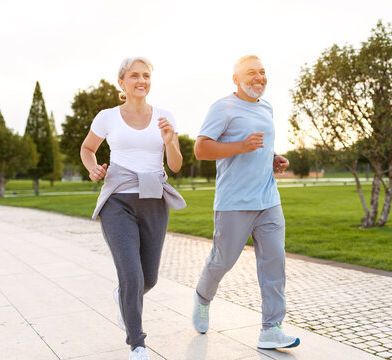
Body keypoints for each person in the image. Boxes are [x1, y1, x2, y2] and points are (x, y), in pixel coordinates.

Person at [80, 57, 186, 360]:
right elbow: (88, 149)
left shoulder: (165, 117)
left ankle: (123, 296)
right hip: (118, 202)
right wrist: (92, 169)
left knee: (148, 278)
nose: (142, 81)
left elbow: (176, 165)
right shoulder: (107, 117)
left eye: (146, 75)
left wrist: (169, 141)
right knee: (132, 275)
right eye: (135, 75)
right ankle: (137, 344)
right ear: (121, 83)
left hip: (154, 202)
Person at [191, 55, 299, 350]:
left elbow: (261, 147)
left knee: (274, 263)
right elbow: (201, 149)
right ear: (236, 79)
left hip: (268, 199)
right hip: (234, 201)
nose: (259, 77)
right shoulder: (222, 107)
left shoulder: (267, 107)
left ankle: (271, 329)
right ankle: (202, 298)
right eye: (251, 72)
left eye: (263, 72)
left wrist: (273, 158)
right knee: (222, 260)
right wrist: (240, 146)